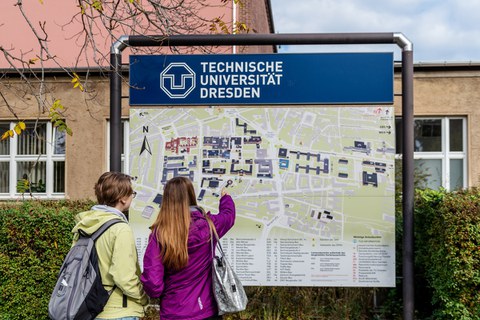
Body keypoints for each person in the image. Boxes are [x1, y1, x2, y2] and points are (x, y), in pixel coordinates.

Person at [141, 176, 236, 320]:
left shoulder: (159, 234)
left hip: (174, 310)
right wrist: (225, 199)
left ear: (166, 200)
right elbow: (228, 216)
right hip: (206, 310)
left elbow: (154, 284)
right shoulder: (209, 226)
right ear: (191, 195)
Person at [72, 171, 148, 319]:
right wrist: (143, 297)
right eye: (132, 192)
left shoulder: (84, 225)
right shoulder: (120, 229)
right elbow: (123, 277)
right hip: (120, 310)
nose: (133, 196)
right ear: (123, 199)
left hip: (90, 308)